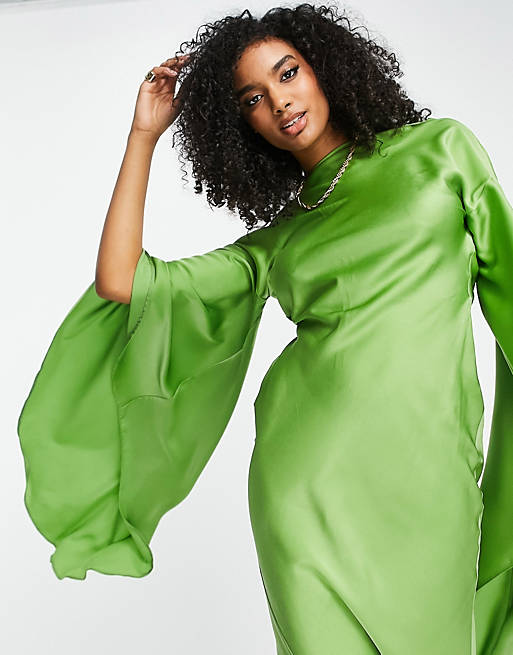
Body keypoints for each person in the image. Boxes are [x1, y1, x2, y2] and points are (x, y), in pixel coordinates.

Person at [17, 4, 513, 654]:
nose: (279, 102)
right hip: (303, 484)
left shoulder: (440, 151)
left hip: (430, 475)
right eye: (252, 98)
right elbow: (121, 280)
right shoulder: (278, 241)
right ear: (241, 125)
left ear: (324, 67)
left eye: (287, 73)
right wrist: (142, 137)